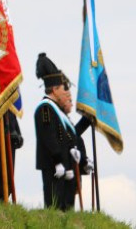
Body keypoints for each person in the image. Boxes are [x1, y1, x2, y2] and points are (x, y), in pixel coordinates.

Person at [35, 53, 91, 210]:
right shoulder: (46, 108)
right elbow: (49, 137)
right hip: (53, 163)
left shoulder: (58, 112)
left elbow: (71, 135)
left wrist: (87, 120)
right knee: (55, 204)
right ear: (54, 89)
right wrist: (58, 160)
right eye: (62, 88)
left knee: (66, 206)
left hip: (65, 163)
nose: (66, 92)